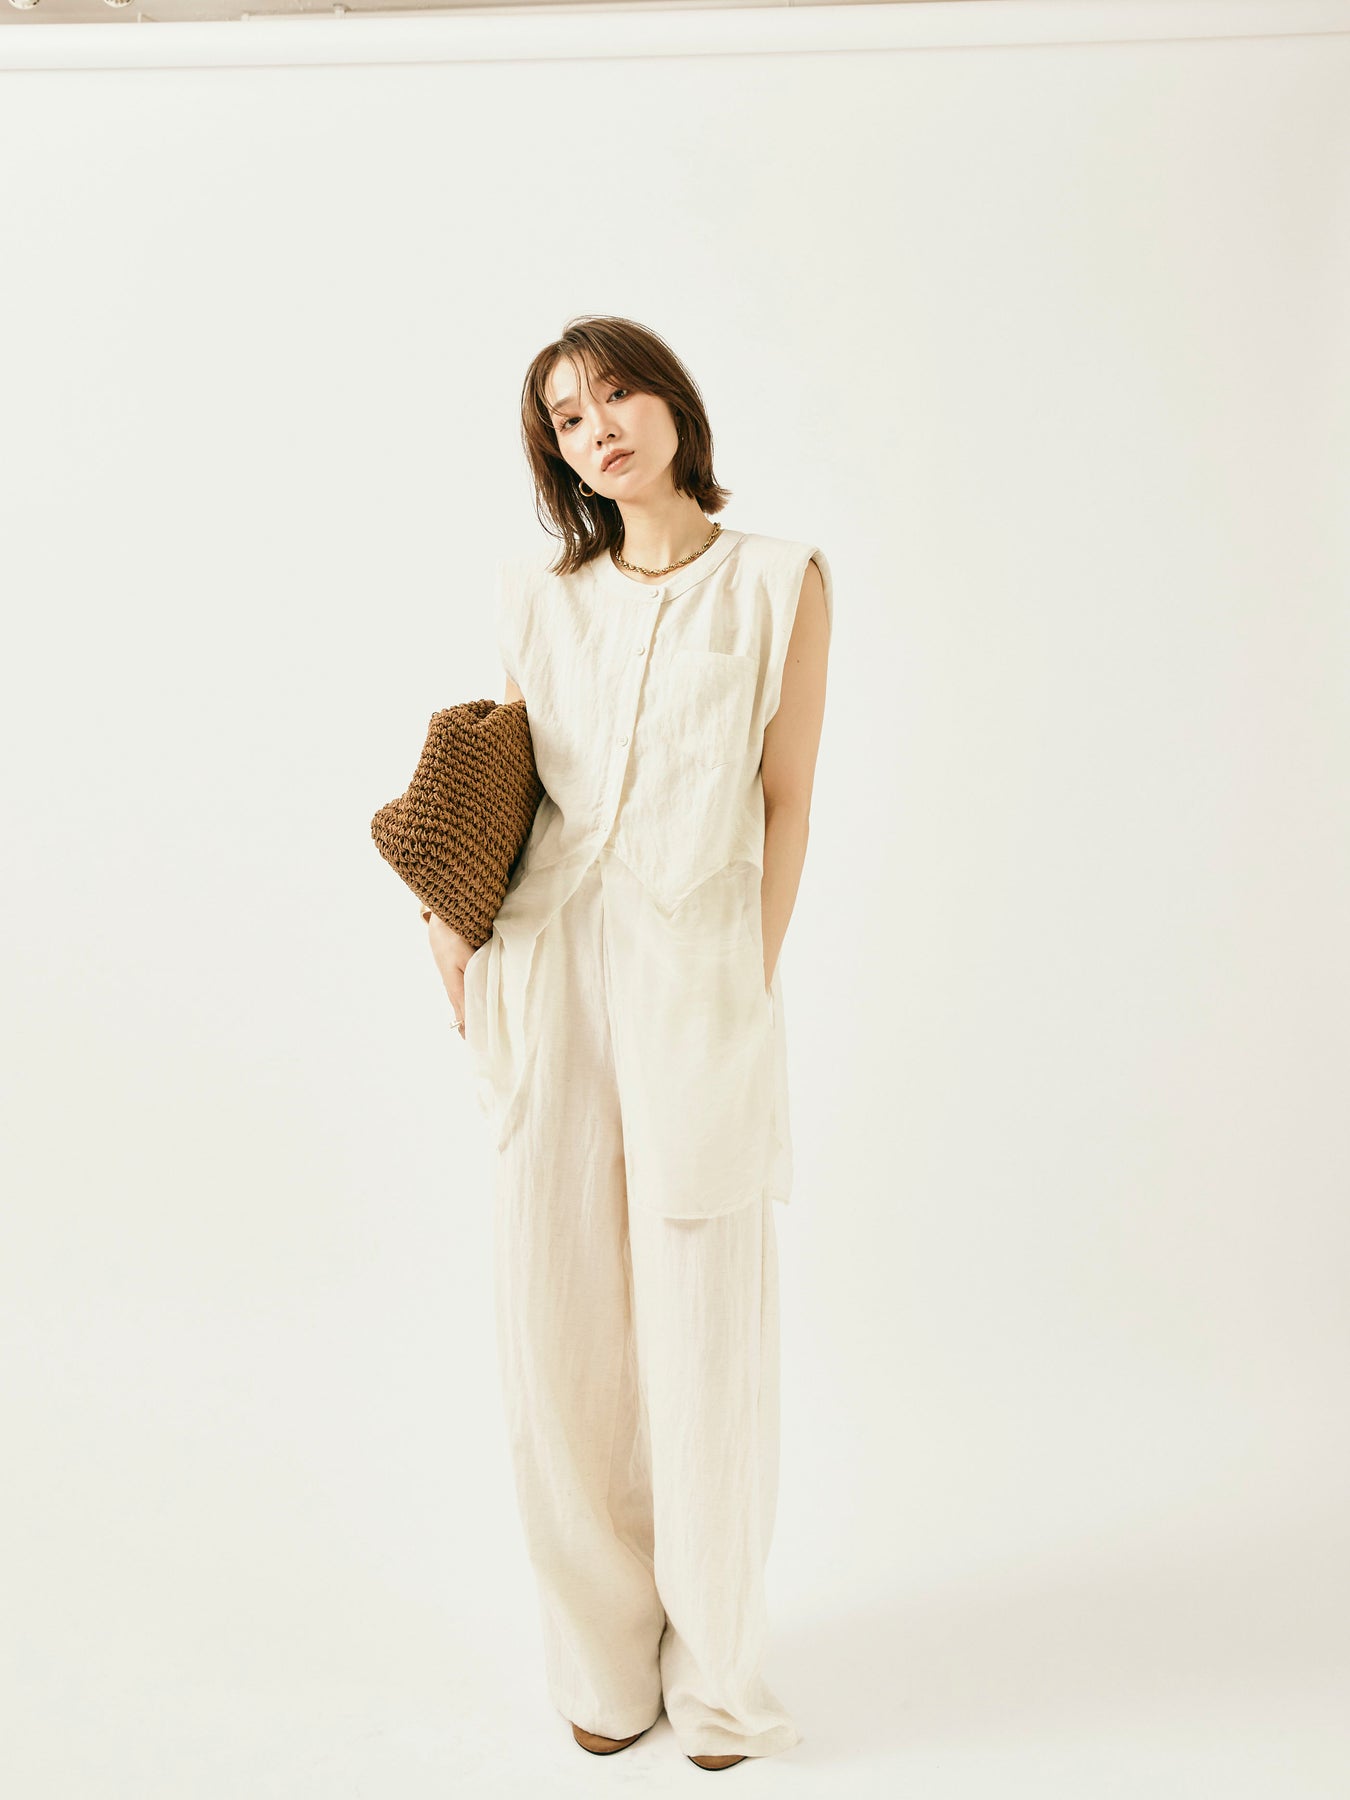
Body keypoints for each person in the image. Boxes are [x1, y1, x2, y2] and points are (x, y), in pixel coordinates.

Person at [423, 315, 832, 1770]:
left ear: (670, 405)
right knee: (558, 1324)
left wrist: (747, 977)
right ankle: (600, 1660)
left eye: (615, 393)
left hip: (695, 981)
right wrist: (450, 929)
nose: (597, 426)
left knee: (703, 1325)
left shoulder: (778, 580)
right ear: (556, 454)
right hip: (546, 975)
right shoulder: (541, 600)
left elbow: (787, 798)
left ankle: (716, 1674)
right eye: (566, 416)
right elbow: (506, 778)